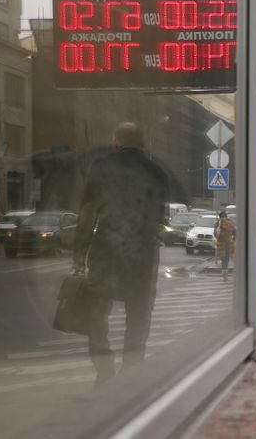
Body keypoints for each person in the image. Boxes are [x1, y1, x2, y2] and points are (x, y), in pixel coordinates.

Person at [73, 122, 169, 388]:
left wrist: (79, 253)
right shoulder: (158, 173)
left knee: (97, 315)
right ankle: (131, 370)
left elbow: (87, 214)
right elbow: (159, 218)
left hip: (106, 252)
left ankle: (104, 370)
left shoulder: (102, 167)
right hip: (142, 256)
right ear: (142, 144)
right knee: (138, 316)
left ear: (116, 142)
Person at [216, 210, 236, 280]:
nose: (222, 219)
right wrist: (233, 239)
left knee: (224, 259)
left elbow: (215, 234)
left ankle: (224, 273)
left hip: (222, 244)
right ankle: (225, 273)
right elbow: (235, 233)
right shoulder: (231, 223)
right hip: (228, 243)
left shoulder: (218, 223)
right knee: (226, 259)